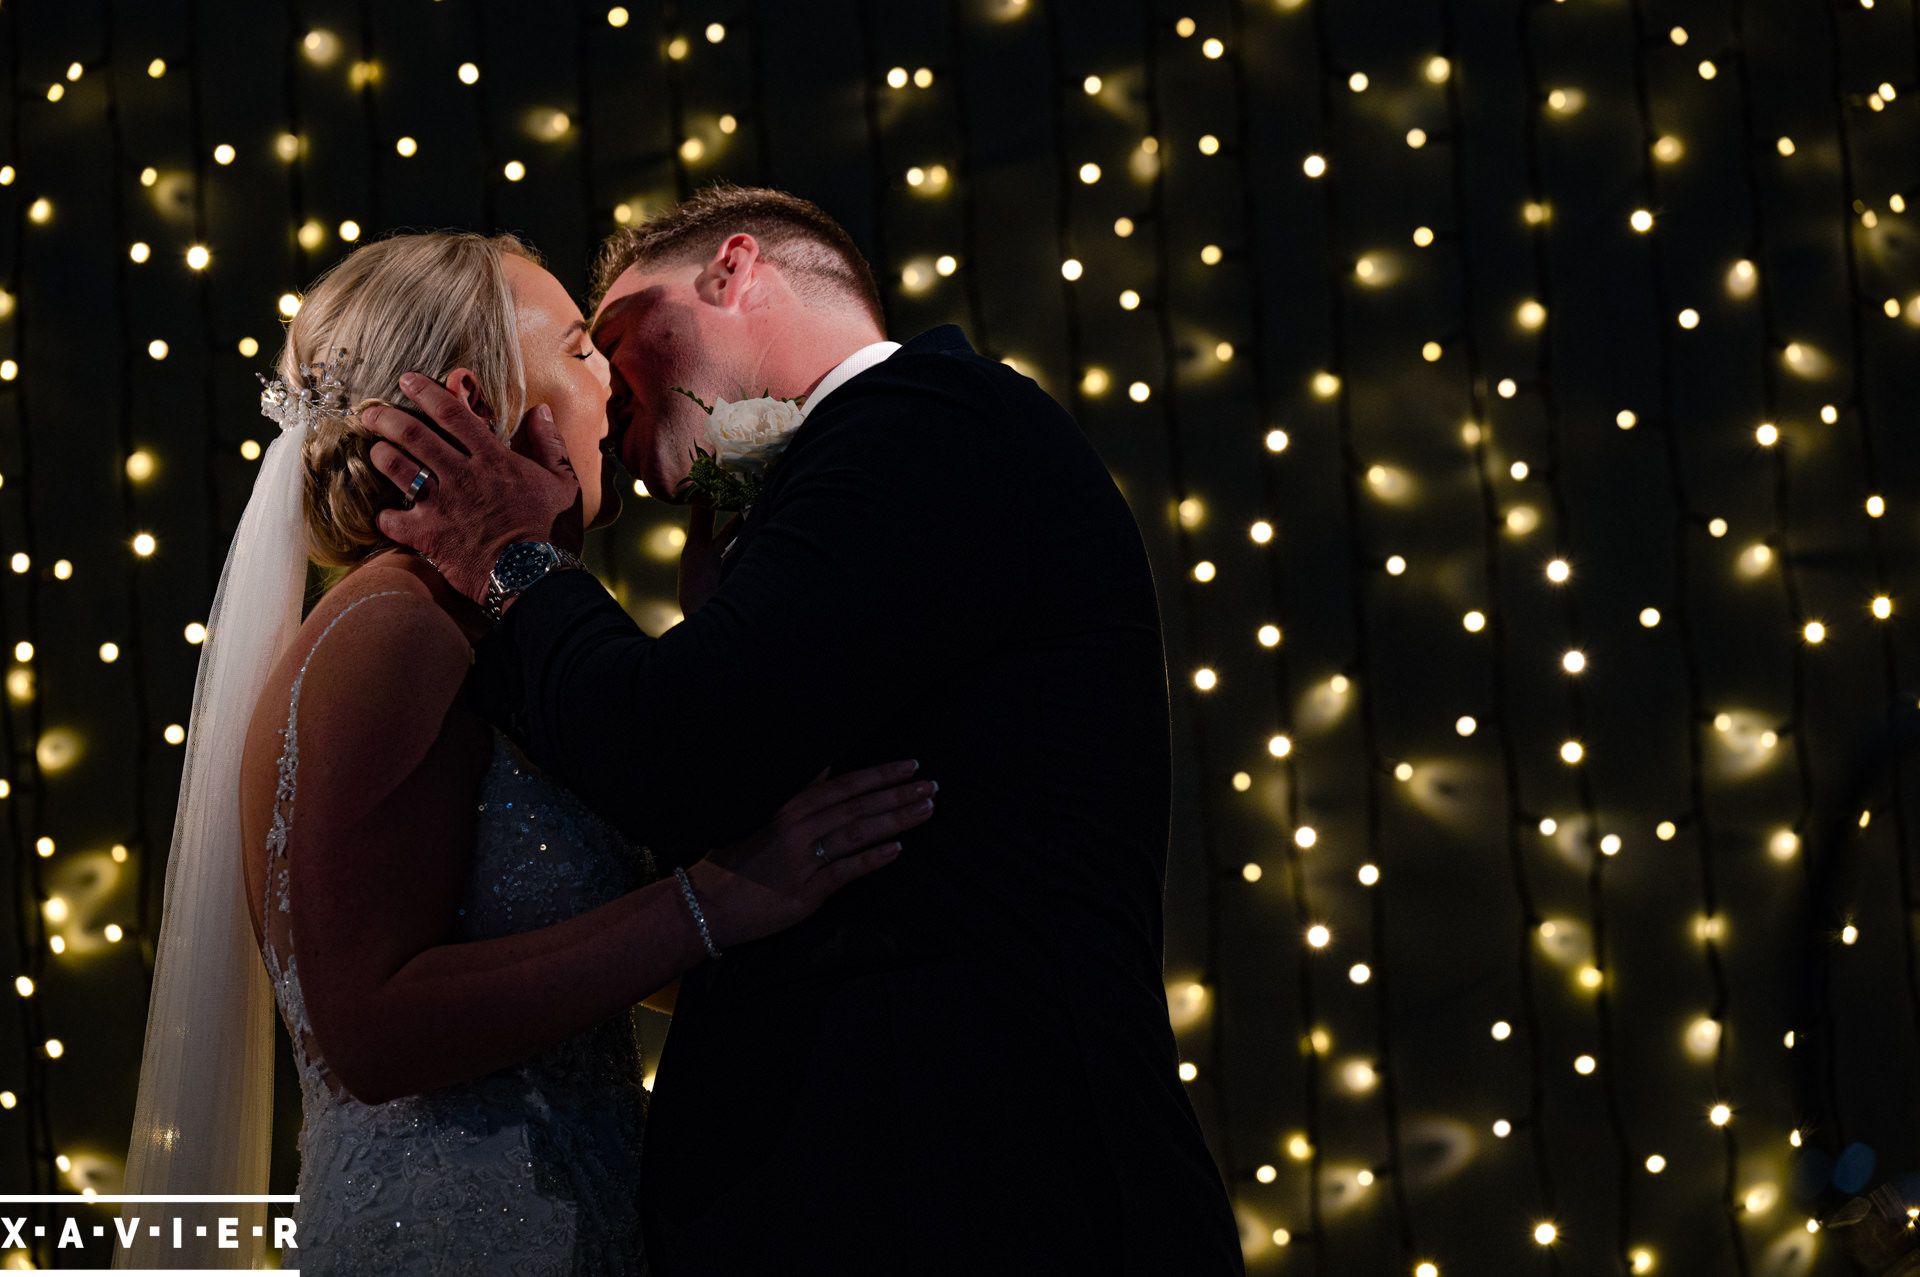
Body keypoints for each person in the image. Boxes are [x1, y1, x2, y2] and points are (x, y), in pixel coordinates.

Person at [362, 187, 1245, 1274]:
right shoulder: (875, 470)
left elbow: (678, 753)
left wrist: (510, 556)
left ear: (735, 270)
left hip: (988, 1198)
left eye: (615, 337)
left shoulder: (928, 421)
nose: (608, 393)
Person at [118, 230, 934, 1273]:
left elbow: (575, 945)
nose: (621, 385)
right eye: (583, 352)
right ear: (474, 396)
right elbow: (370, 1027)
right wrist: (706, 902)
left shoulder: (479, 631)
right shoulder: (395, 627)